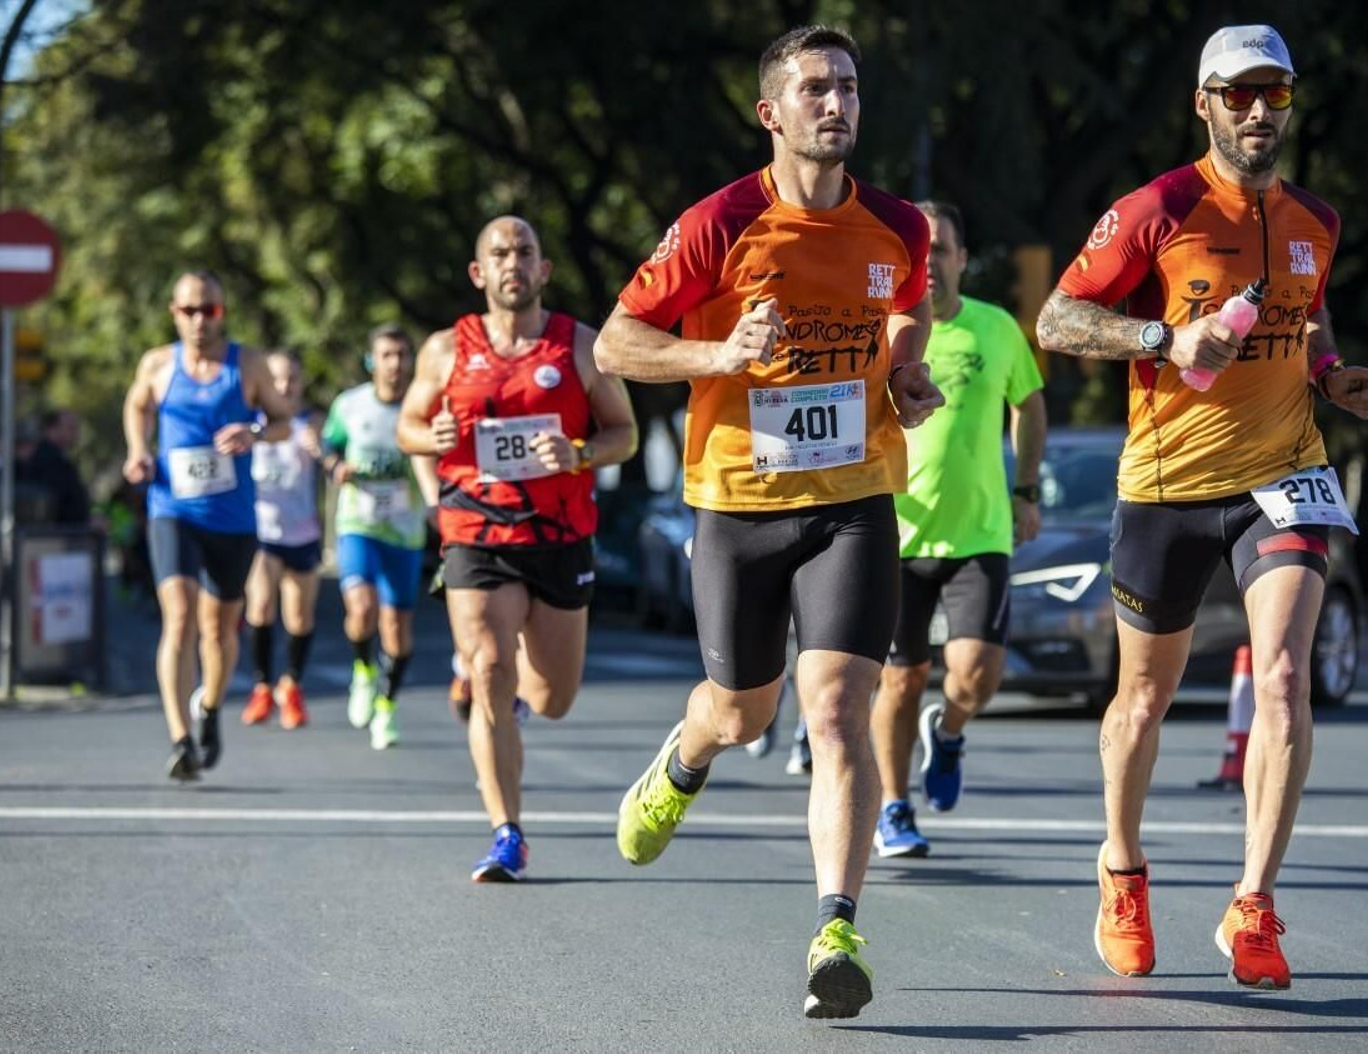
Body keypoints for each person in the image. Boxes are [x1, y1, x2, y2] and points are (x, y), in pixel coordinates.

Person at [594, 25, 941, 1019]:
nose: (836, 105)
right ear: (772, 113)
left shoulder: (898, 227)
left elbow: (904, 306)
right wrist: (716, 358)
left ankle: (837, 926)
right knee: (744, 711)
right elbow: (619, 340)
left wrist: (904, 369)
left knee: (835, 713)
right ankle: (689, 751)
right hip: (737, 501)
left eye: (850, 88)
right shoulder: (718, 223)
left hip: (854, 501)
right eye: (816, 90)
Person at [1035, 25, 1368, 990]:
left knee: (1280, 680)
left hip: (1284, 476)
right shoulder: (1157, 208)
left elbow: (1307, 309)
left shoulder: (1318, 219)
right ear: (1205, 105)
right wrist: (1163, 335)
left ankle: (1254, 904)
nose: (1259, 111)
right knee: (1141, 699)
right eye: (1239, 95)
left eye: (1275, 93)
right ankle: (1121, 868)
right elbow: (1056, 318)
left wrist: (1330, 374)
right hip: (1165, 488)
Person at [399, 215, 636, 883]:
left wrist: (580, 452)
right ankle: (507, 833)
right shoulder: (445, 350)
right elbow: (408, 425)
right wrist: (432, 435)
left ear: (543, 270)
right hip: (475, 529)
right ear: (479, 273)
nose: (512, 262)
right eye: (499, 253)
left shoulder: (580, 346)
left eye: (524, 251)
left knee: (554, 697)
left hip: (559, 536)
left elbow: (626, 433)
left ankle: (520, 699)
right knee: (488, 672)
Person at [870, 200, 1047, 858]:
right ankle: (894, 807)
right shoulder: (881, 331)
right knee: (899, 678)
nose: (930, 263)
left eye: (940, 249)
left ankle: (947, 731)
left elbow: (1029, 407)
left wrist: (1027, 487)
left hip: (978, 532)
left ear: (963, 260)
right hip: (893, 532)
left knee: (973, 673)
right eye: (918, 252)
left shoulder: (996, 328)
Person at [122, 270, 292, 780]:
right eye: (189, 310)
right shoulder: (157, 363)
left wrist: (255, 431)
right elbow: (136, 404)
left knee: (219, 630)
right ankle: (179, 739)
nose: (200, 320)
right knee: (179, 617)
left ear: (222, 312)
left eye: (210, 310)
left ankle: (211, 708)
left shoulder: (249, 365)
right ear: (174, 313)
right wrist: (138, 450)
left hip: (233, 519)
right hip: (173, 509)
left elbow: (286, 419)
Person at [320, 325, 427, 750]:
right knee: (361, 609)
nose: (395, 364)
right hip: (358, 525)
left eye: (402, 354)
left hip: (405, 531)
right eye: (386, 355)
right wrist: (336, 468)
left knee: (397, 631)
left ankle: (387, 705)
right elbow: (328, 447)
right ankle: (363, 671)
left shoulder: (423, 407)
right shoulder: (350, 405)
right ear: (372, 361)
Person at [243, 350, 323, 730]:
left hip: (302, 533)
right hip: (263, 532)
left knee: (299, 616)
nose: (284, 386)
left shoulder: (312, 424)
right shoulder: (252, 426)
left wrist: (320, 449)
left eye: (291, 378)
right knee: (259, 606)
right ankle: (262, 686)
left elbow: (331, 452)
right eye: (276, 379)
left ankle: (290, 685)